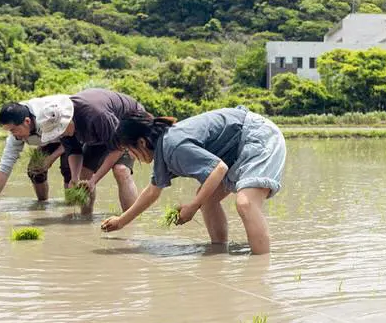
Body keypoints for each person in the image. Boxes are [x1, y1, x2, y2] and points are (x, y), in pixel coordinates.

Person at [101, 107, 286, 255]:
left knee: (245, 203)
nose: (132, 157)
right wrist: (121, 221)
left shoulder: (173, 145)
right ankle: (219, 251)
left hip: (258, 135)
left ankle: (260, 272)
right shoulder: (164, 149)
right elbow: (152, 191)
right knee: (208, 200)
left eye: (129, 150)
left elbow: (218, 169)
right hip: (237, 148)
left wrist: (193, 206)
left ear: (141, 142)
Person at [60, 88, 144, 216]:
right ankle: (86, 218)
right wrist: (74, 178)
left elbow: (118, 148)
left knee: (121, 170)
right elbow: (75, 152)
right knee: (84, 173)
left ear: (69, 119)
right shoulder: (61, 126)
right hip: (102, 133)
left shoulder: (96, 115)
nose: (62, 134)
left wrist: (95, 180)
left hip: (128, 124)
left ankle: (129, 221)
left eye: (63, 130)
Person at [0, 95, 76, 210]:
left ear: (27, 121)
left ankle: (72, 210)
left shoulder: (46, 117)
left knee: (68, 169)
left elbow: (72, 137)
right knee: (35, 169)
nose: (13, 134)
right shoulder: (16, 132)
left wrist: (51, 158)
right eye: (9, 131)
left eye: (13, 130)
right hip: (48, 139)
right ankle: (43, 205)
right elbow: (5, 166)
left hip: (70, 132)